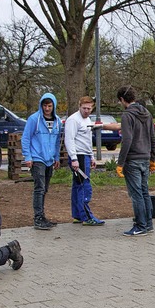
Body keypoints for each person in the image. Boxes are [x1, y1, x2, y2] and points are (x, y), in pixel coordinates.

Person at [101, 86, 155, 236]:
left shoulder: (127, 115)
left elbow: (127, 140)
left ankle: (140, 225)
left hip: (132, 160)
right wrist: (152, 158)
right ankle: (148, 223)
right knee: (144, 192)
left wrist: (120, 163)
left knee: (136, 193)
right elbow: (153, 137)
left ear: (121, 100)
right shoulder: (147, 113)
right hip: (145, 158)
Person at [21, 93, 62, 230]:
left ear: (53, 106)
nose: (47, 109)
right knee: (39, 188)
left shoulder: (57, 122)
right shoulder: (34, 119)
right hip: (37, 158)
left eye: (49, 106)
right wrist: (28, 157)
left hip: (49, 159)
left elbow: (57, 141)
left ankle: (42, 216)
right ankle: (37, 218)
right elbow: (26, 138)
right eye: (45, 105)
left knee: (45, 189)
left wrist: (56, 157)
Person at [64, 96, 105, 225]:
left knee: (77, 185)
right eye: (84, 108)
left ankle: (78, 214)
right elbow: (69, 140)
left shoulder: (87, 120)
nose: (86, 111)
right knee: (84, 186)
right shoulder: (73, 120)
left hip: (85, 155)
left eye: (89, 108)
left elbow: (87, 140)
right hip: (78, 156)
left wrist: (92, 156)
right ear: (79, 106)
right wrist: (74, 158)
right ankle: (87, 217)